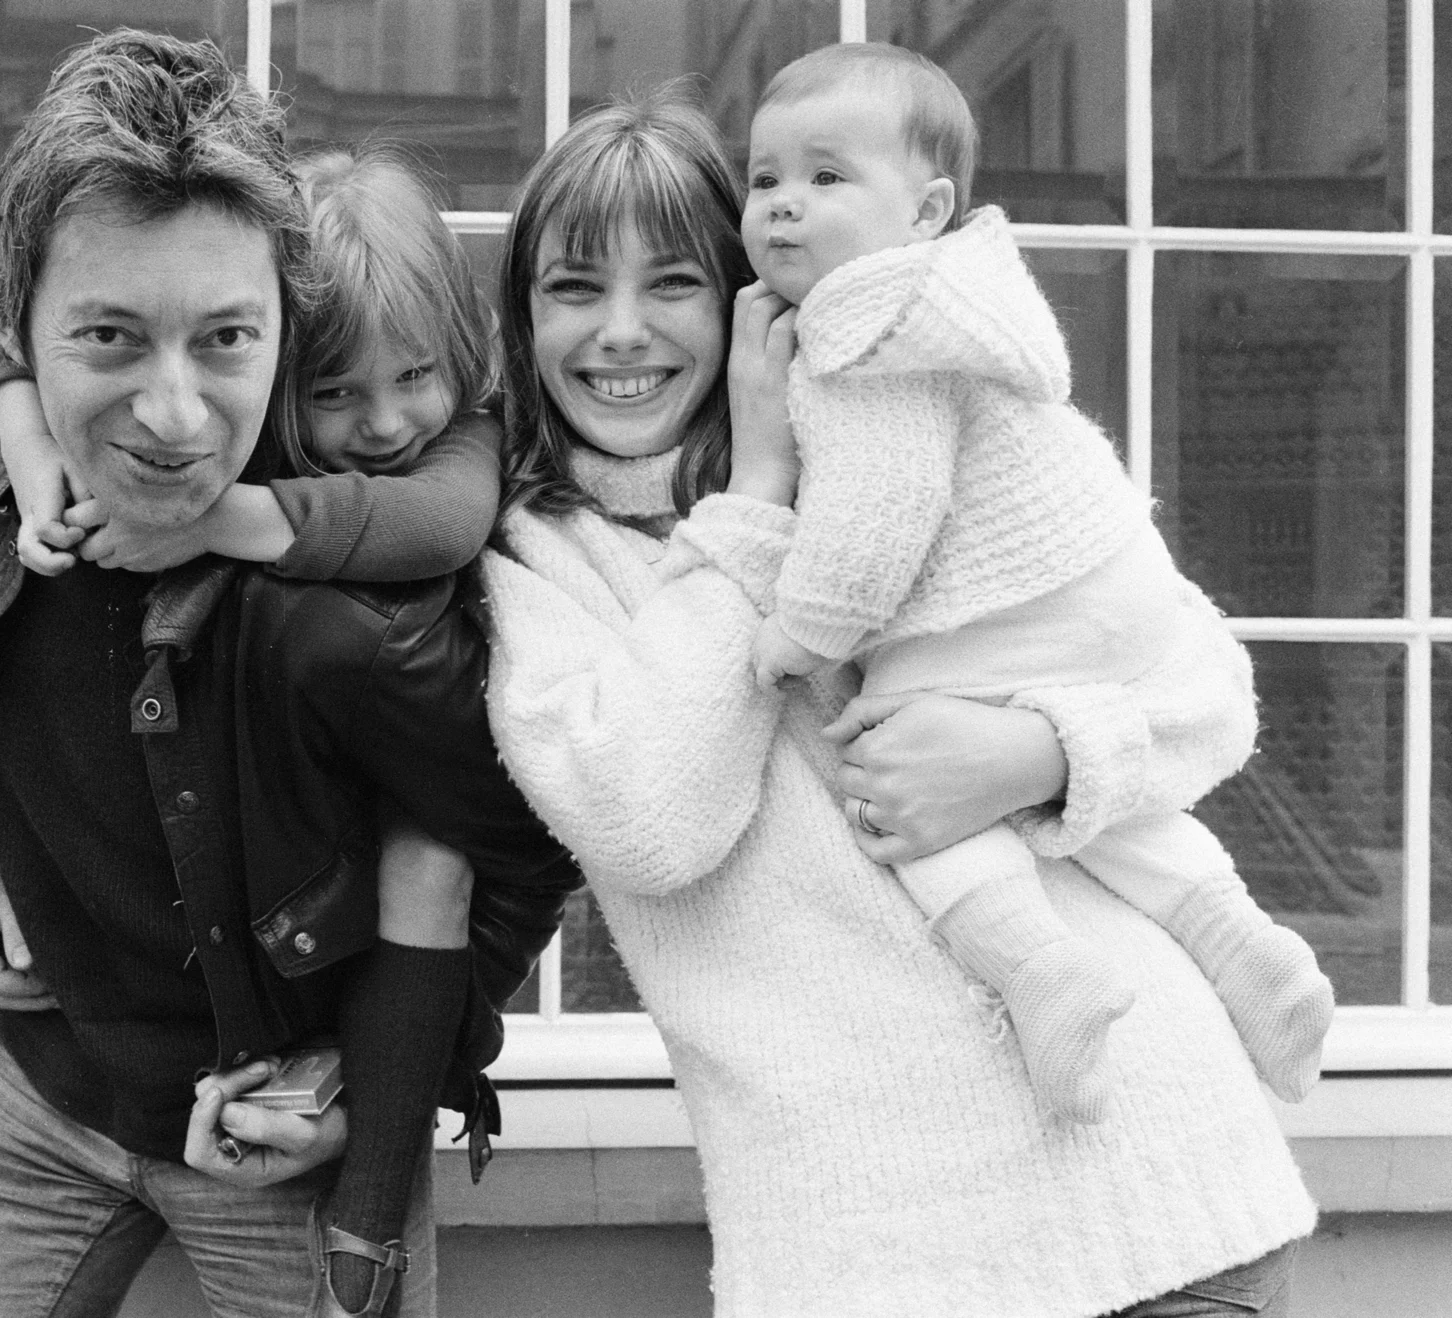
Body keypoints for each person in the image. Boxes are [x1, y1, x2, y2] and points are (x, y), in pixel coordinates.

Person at [476, 88, 1315, 1316]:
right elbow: (652, 822)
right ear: (523, 315)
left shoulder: (896, 414)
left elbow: (1206, 686)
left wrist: (1035, 754)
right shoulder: (531, 561)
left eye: (673, 283)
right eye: (572, 287)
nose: (621, 332)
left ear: (745, 293)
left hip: (1165, 1177)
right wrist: (757, 495)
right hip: (882, 1254)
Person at [0, 33, 576, 1318]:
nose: (172, 414)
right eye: (108, 335)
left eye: (225, 339)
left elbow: (523, 850)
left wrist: (373, 1082)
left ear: (280, 323)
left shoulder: (350, 617)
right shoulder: (4, 470)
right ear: (12, 318)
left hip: (279, 1139)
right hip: (42, 1095)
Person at [737, 43, 1333, 1123]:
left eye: (826, 177)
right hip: (1108, 587)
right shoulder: (960, 301)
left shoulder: (866, 326)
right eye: (764, 177)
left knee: (894, 778)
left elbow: (879, 517)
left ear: (926, 211)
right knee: (1100, 807)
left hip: (1012, 604)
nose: (783, 204)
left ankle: (1038, 972)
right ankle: (1247, 947)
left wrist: (800, 634)